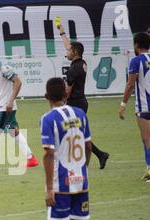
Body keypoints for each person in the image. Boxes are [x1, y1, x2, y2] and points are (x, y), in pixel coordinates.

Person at [39, 77, 114, 220]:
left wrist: (48, 188)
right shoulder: (80, 114)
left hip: (61, 183)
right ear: (66, 94)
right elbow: (88, 147)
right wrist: (84, 168)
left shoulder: (48, 119)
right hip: (81, 180)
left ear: (47, 97)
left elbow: (48, 154)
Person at [56, 23, 110, 169]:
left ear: (75, 52)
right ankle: (98, 156)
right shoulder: (82, 63)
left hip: (74, 104)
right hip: (81, 102)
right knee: (76, 133)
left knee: (75, 134)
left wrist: (61, 105)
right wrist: (62, 33)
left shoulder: (73, 70)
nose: (66, 52)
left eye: (69, 51)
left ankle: (93, 157)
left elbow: (67, 92)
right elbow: (69, 47)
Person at [118, 32, 150, 182]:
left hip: (145, 107)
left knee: (149, 139)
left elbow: (130, 84)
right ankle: (149, 168)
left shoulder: (136, 61)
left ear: (136, 45)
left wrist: (123, 104)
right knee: (145, 138)